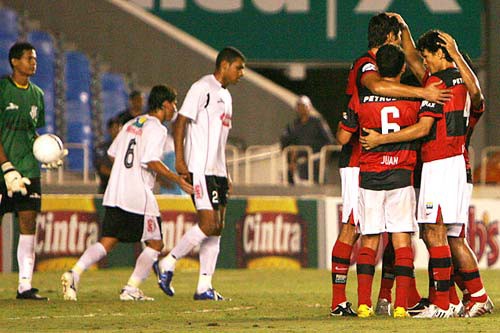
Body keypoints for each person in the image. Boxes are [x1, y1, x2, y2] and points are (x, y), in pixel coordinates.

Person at [360, 30, 493, 318]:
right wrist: (409, 34)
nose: (424, 62)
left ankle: (442, 304)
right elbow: (479, 97)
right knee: (453, 236)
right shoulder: (465, 84)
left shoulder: (437, 83)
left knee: (434, 233)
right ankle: (476, 297)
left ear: (442, 53)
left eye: (428, 55)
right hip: (458, 162)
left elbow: (423, 129)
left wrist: (380, 140)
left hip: (440, 163)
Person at [330, 13, 443, 317]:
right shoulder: (367, 63)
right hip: (359, 161)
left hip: (371, 163)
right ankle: (340, 301)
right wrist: (423, 93)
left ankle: (383, 298)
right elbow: (376, 86)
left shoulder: (374, 80)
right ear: (391, 38)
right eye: (400, 38)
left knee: (378, 232)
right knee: (358, 228)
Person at [61, 84, 193, 301]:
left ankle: (74, 273)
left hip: (115, 191)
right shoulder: (158, 128)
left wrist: (127, 170)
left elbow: (113, 154)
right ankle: (131, 289)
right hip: (137, 195)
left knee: (108, 241)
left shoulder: (132, 123)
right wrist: (177, 178)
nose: (175, 109)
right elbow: (150, 160)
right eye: (174, 104)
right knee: (156, 244)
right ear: (166, 104)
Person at [154, 47, 245, 301]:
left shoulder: (226, 97)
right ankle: (168, 262)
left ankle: (204, 286)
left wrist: (226, 172)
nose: (242, 73)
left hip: (217, 170)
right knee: (207, 224)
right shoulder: (202, 87)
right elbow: (180, 122)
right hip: (200, 168)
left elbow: (220, 139)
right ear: (224, 65)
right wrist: (180, 161)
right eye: (239, 67)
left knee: (217, 227)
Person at [337, 44, 421, 318]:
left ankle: (363, 304)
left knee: (369, 239)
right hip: (400, 176)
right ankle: (399, 306)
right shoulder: (412, 99)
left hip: (370, 177)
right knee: (401, 240)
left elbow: (342, 137)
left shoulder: (361, 97)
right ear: (403, 68)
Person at [0, 42, 64, 300]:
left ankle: (25, 285)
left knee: (28, 223)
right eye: (29, 58)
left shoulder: (37, 94)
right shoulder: (2, 89)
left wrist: (47, 151)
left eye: (35, 59)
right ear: (14, 62)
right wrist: (5, 167)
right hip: (3, 167)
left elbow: (32, 131)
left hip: (28, 168)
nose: (33, 63)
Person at [280, 95, 334, 184]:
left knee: (318, 186)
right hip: (300, 162)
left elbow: (329, 141)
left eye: (303, 106)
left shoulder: (317, 122)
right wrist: (291, 161)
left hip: (316, 160)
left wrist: (324, 161)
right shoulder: (294, 125)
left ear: (309, 107)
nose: (301, 108)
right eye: (299, 106)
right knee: (296, 185)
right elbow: (288, 143)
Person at [93, 117, 121, 194]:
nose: (118, 131)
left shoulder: (126, 148)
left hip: (123, 192)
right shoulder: (102, 148)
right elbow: (103, 169)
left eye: (119, 128)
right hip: (106, 190)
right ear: (109, 130)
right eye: (115, 128)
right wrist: (122, 175)